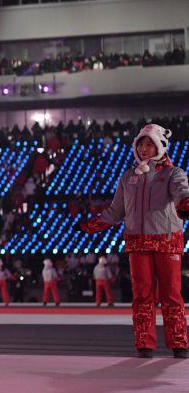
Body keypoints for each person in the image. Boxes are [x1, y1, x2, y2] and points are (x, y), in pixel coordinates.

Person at [81, 124, 189, 358]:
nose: (144, 148)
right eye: (140, 143)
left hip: (166, 241)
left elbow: (182, 193)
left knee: (171, 294)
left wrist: (185, 203)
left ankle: (179, 343)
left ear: (160, 146)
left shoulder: (173, 173)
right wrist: (94, 224)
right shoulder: (128, 177)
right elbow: (116, 211)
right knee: (142, 296)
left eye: (149, 143)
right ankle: (144, 344)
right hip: (137, 243)